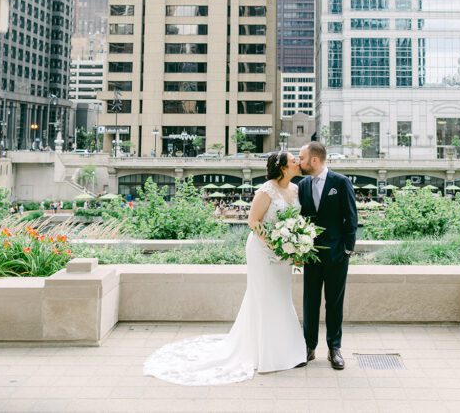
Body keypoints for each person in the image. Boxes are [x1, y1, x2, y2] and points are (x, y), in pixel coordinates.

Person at [144, 152, 307, 385]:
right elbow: (253, 222)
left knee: (281, 296)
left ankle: (287, 351)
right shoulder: (266, 191)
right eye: (293, 160)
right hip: (263, 251)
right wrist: (277, 244)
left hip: (284, 253)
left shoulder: (296, 189)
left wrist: (293, 246)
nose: (297, 163)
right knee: (263, 297)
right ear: (282, 167)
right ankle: (264, 354)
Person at [297, 141, 358, 370]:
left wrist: (347, 250)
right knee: (309, 302)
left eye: (301, 158)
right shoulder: (302, 185)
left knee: (334, 302)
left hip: (336, 256)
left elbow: (351, 219)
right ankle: (308, 347)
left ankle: (334, 348)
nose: (299, 162)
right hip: (310, 255)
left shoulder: (340, 182)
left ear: (314, 159)